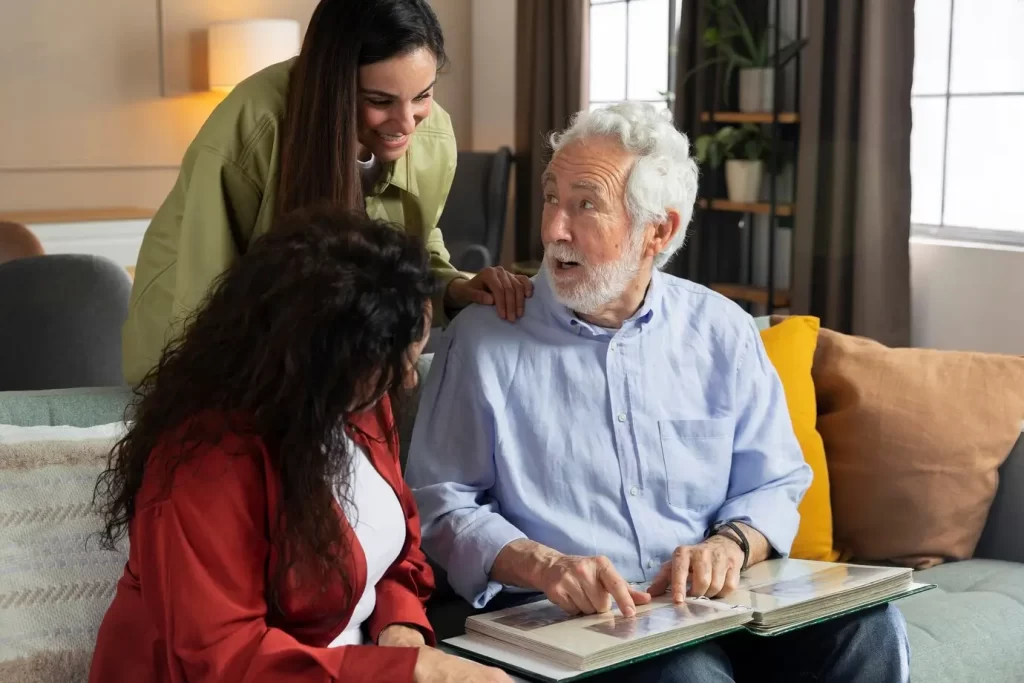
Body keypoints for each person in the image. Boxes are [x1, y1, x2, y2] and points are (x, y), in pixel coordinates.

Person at [406, 102, 911, 682]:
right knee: (686, 675)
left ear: (659, 231)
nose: (553, 229)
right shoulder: (485, 337)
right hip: (570, 619)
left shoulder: (722, 330)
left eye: (585, 204)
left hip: (720, 605)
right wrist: (543, 565)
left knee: (872, 629)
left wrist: (731, 545)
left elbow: (773, 479)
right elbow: (440, 501)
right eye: (551, 197)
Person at [90, 208, 510, 683]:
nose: (409, 381)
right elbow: (225, 659)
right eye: (398, 363)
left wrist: (400, 625)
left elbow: (398, 554)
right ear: (322, 361)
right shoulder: (204, 460)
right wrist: (407, 671)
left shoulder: (362, 403)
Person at [122, 0, 531, 385]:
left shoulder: (433, 137)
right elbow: (202, 294)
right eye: (379, 100)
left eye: (422, 95)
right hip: (204, 351)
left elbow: (415, 246)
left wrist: (455, 289)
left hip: (327, 357)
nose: (406, 122)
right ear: (334, 85)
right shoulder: (254, 126)